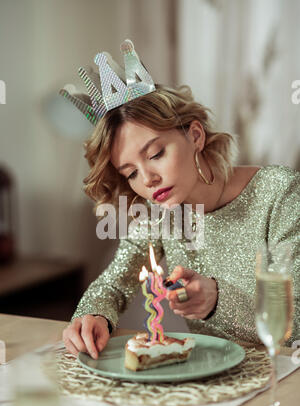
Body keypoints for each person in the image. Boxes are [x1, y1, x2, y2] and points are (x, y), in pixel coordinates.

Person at [62, 41, 300, 359]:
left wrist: (218, 300)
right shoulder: (160, 213)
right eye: (130, 172)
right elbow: (114, 284)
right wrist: (93, 315)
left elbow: (294, 320)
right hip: (212, 381)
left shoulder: (279, 192)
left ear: (196, 136)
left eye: (156, 154)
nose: (147, 180)